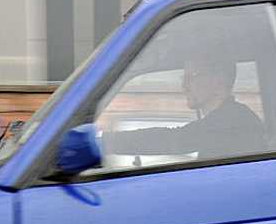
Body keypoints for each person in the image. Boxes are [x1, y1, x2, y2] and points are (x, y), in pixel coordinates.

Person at [101, 55, 266, 161]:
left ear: (219, 82)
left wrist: (106, 143)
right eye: (183, 78)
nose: (184, 86)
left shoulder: (234, 121)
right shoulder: (224, 118)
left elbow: (175, 139)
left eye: (192, 77)